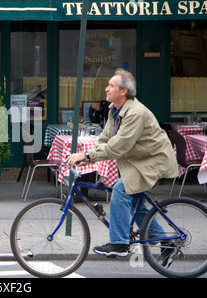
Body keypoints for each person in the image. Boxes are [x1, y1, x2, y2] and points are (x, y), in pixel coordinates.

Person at [66, 68, 178, 258]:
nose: (106, 89)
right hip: (137, 160)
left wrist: (87, 155)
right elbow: (105, 138)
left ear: (124, 91)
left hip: (152, 161)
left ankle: (119, 243)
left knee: (121, 190)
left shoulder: (135, 113)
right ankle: (166, 242)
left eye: (111, 85)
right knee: (136, 203)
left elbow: (118, 146)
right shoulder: (115, 110)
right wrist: (89, 156)